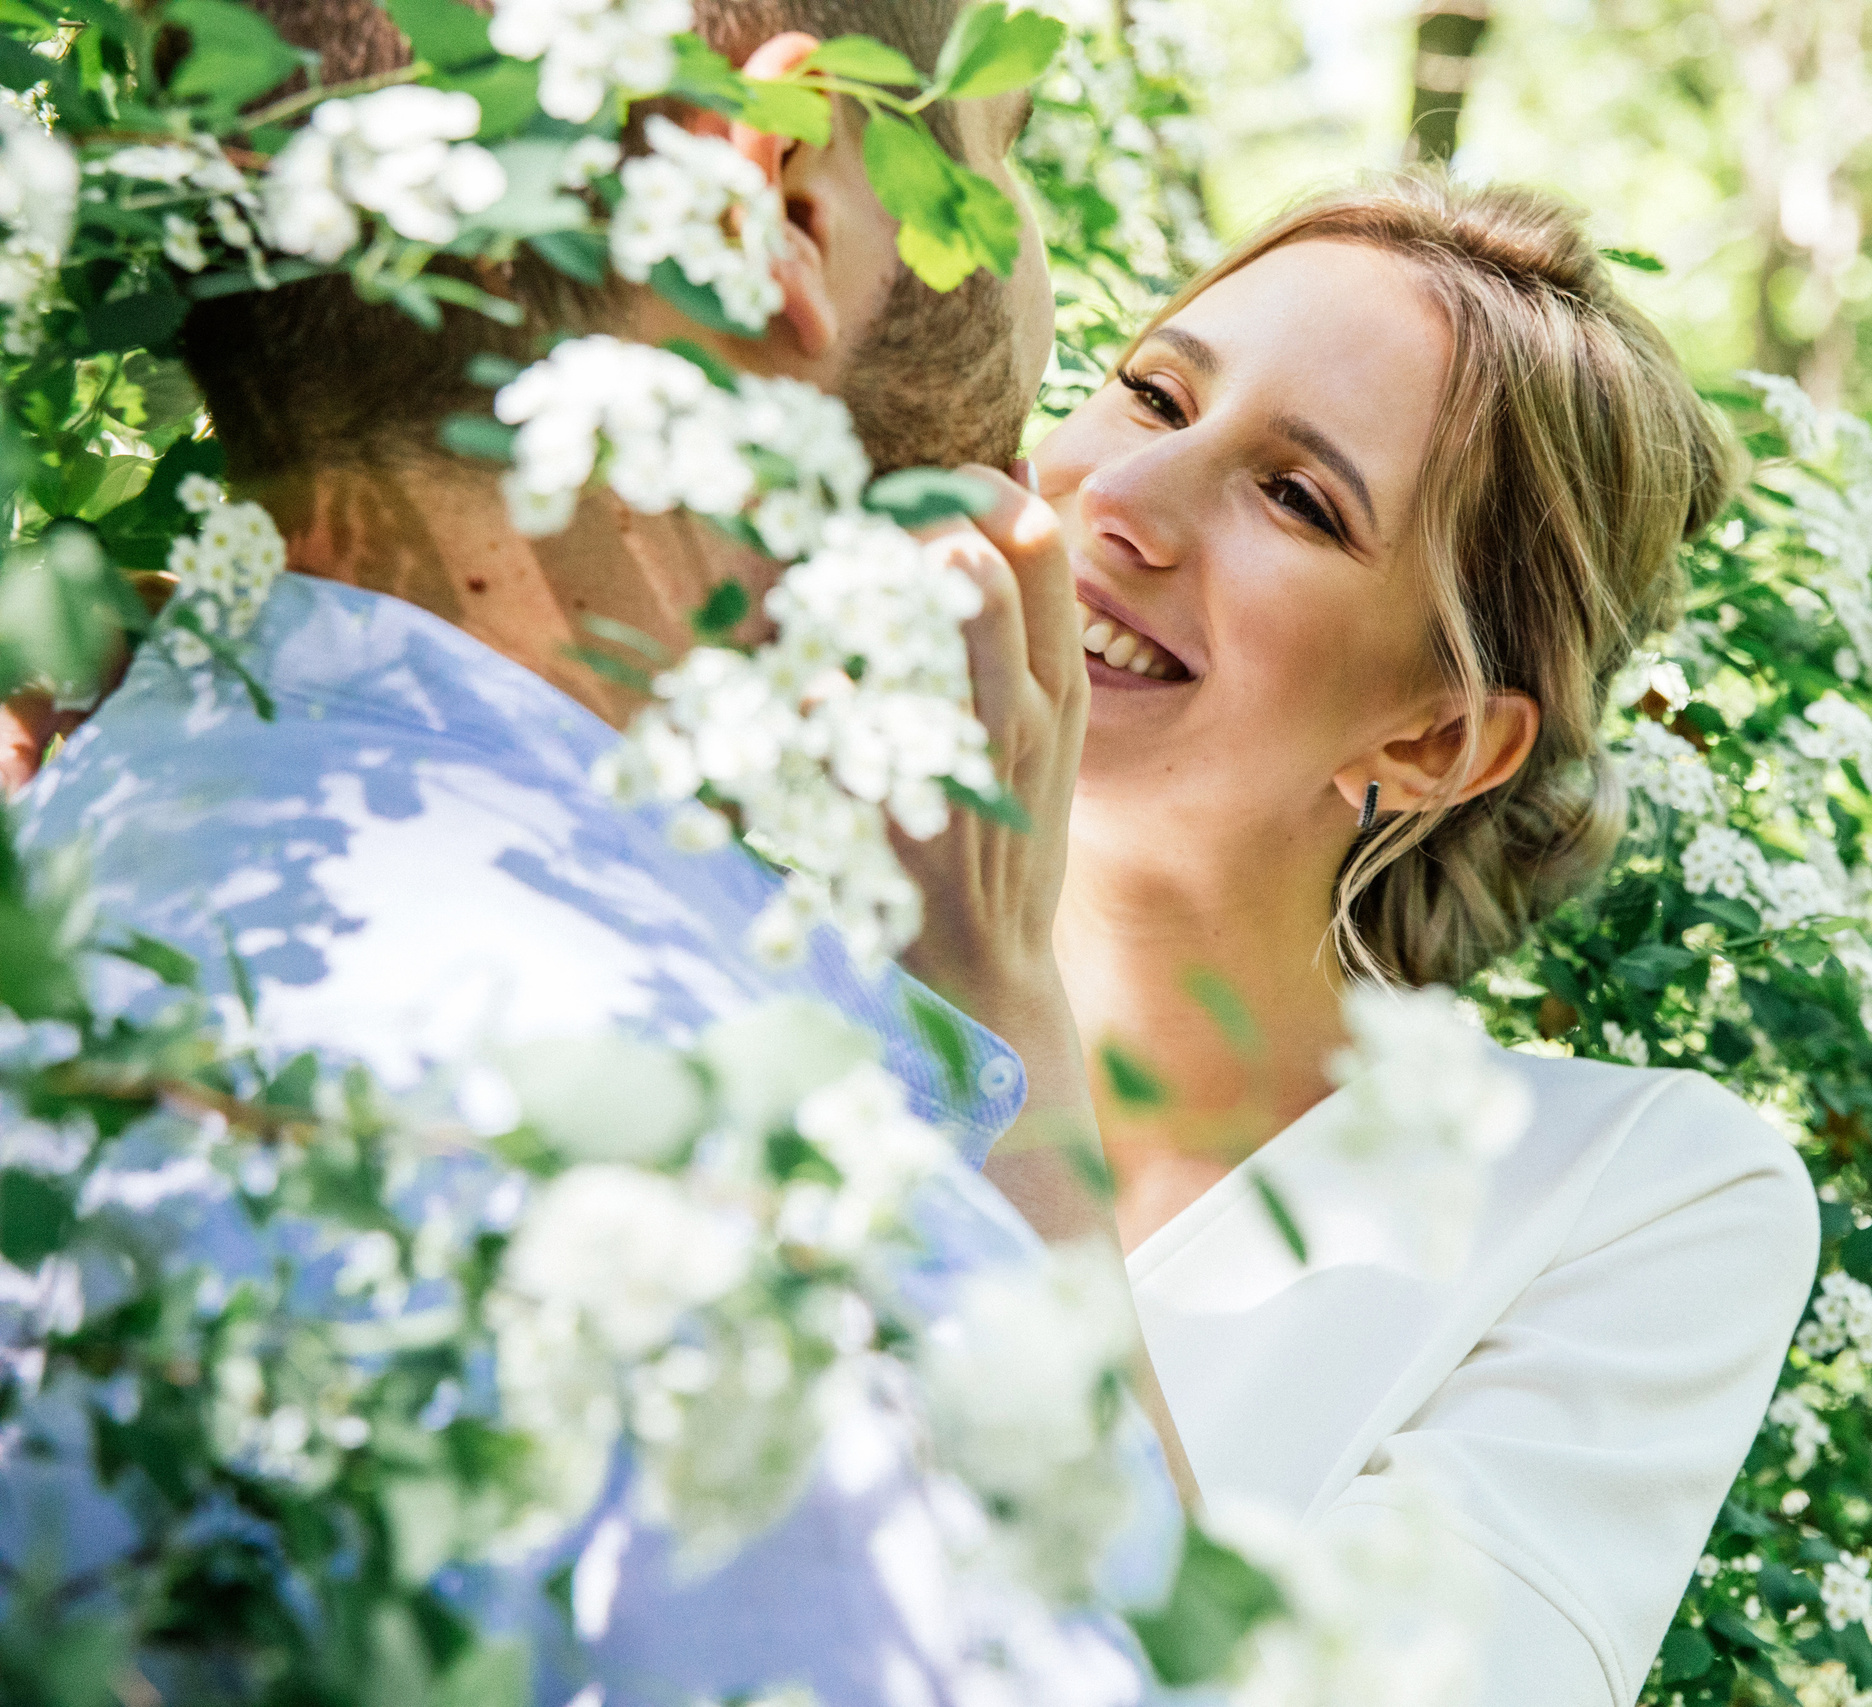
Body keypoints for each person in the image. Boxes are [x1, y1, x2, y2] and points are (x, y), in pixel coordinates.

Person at [8, 1, 1184, 1700]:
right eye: (1000, 166)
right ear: (773, 200)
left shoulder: (91, 858)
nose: (1048, 300)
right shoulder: (738, 1251)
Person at [1035, 173, 1822, 1707]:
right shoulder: (715, 955)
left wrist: (992, 970)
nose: (1125, 500)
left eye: (1298, 499)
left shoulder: (1632, 1196)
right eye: (1150, 394)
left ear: (1439, 737)